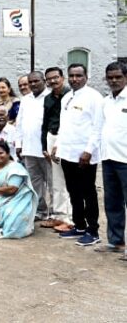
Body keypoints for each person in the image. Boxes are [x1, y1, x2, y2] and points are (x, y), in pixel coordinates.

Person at [54, 64, 103, 246]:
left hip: (84, 155)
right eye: (72, 76)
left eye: (79, 75)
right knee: (73, 192)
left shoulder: (94, 97)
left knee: (88, 193)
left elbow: (98, 127)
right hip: (67, 153)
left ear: (86, 77)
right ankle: (79, 226)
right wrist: (57, 145)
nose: (75, 79)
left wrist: (89, 151)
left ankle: (93, 231)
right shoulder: (67, 97)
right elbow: (63, 125)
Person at [95, 62, 127, 257]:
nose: (114, 81)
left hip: (125, 159)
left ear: (126, 77)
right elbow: (99, 128)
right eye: (110, 78)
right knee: (112, 202)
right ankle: (116, 241)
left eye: (118, 77)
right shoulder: (106, 101)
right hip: (108, 158)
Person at [15, 71, 53, 223]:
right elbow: (20, 123)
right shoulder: (25, 99)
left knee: (52, 182)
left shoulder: (51, 97)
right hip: (29, 148)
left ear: (44, 81)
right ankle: (40, 210)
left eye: (36, 81)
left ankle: (55, 213)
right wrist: (19, 144)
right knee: (35, 183)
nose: (33, 84)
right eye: (30, 82)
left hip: (46, 149)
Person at [40, 66, 74, 232]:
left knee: (68, 180)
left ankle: (70, 218)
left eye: (55, 77)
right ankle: (59, 215)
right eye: (49, 79)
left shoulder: (71, 96)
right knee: (56, 180)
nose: (52, 81)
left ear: (62, 78)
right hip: (51, 137)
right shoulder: (48, 98)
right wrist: (44, 145)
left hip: (67, 139)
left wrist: (60, 142)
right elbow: (45, 123)